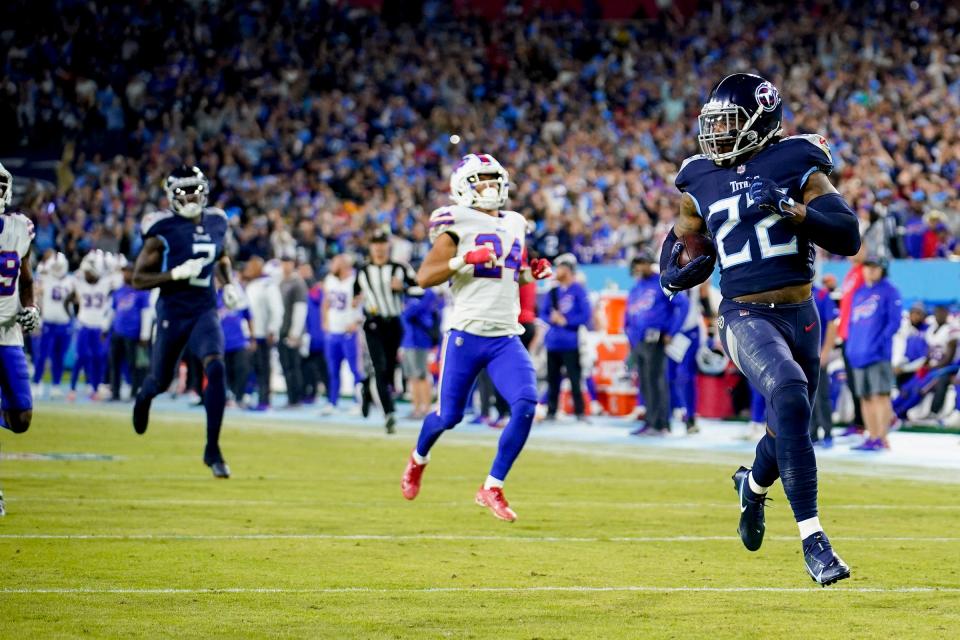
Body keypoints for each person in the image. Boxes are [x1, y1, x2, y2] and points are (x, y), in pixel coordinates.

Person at [660, 74, 861, 585]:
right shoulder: (698, 176)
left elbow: (847, 234)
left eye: (729, 122)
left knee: (788, 425)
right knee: (790, 394)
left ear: (762, 119)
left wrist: (794, 210)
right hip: (744, 314)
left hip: (802, 312)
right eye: (715, 124)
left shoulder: (798, 159)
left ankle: (751, 485)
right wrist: (673, 267)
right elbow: (683, 236)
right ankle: (814, 540)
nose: (718, 134)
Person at [401, 153, 553, 521]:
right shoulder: (456, 220)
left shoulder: (515, 222)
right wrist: (463, 258)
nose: (490, 186)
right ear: (463, 187)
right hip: (466, 336)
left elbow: (508, 272)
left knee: (526, 404)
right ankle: (418, 459)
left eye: (493, 179)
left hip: (505, 336)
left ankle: (492, 485)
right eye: (481, 180)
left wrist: (532, 274)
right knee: (448, 416)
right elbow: (424, 277)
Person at [131, 165, 241, 478]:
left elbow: (219, 255)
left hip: (205, 309)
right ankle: (145, 396)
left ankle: (213, 450)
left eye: (194, 189)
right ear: (171, 195)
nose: (190, 196)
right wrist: (173, 275)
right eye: (182, 191)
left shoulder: (218, 220)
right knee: (161, 381)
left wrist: (228, 283)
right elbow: (138, 279)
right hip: (173, 311)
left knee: (216, 367)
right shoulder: (161, 228)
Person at [0, 162, 39, 516]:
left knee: (21, 419)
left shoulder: (19, 228)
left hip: (9, 333)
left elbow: (25, 279)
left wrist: (31, 307)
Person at [354, 231, 415, 433]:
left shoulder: (400, 268)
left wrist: (403, 288)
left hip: (394, 323)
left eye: (382, 243)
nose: (379, 248)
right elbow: (354, 295)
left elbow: (421, 289)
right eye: (375, 243)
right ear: (370, 247)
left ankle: (367, 391)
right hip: (373, 323)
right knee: (379, 367)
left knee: (389, 369)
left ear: (388, 246)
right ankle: (389, 413)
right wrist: (358, 306)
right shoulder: (363, 271)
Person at [624, 250, 688, 435]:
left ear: (651, 263)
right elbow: (629, 314)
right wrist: (629, 336)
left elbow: (682, 306)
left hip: (656, 337)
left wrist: (672, 331)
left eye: (643, 262)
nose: (639, 266)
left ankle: (661, 424)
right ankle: (650, 422)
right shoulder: (636, 287)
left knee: (657, 382)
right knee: (645, 383)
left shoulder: (662, 282)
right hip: (639, 341)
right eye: (637, 263)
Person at [845, 257, 901, 451]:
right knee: (865, 397)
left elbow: (894, 322)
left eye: (874, 267)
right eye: (867, 267)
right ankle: (871, 436)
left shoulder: (889, 290)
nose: (870, 271)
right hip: (857, 353)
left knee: (880, 396)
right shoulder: (859, 293)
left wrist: (879, 344)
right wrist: (851, 347)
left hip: (877, 354)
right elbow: (852, 323)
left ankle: (882, 438)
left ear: (882, 269)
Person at [540, 253, 591, 422]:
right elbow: (543, 312)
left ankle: (580, 412)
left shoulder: (578, 290)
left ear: (568, 270)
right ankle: (551, 411)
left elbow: (585, 315)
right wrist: (551, 319)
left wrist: (566, 321)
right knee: (552, 380)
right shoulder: (553, 291)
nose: (557, 270)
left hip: (570, 342)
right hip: (553, 342)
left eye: (561, 267)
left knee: (575, 379)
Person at [322, 255, 366, 414]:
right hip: (333, 331)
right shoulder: (330, 280)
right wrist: (324, 321)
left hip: (350, 332)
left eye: (334, 262)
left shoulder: (356, 281)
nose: (331, 265)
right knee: (333, 370)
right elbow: (326, 302)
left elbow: (364, 303)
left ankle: (359, 402)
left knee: (356, 370)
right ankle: (332, 402)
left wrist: (356, 322)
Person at [68, 251, 113, 401]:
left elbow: (115, 275)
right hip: (84, 324)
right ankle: (72, 388)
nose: (87, 275)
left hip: (99, 325)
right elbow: (77, 274)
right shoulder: (79, 282)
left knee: (99, 357)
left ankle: (96, 387)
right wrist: (87, 263)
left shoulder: (105, 283)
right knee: (82, 357)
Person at [244, 256, 284, 411]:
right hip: (252, 334)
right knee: (254, 369)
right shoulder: (251, 285)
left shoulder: (268, 285)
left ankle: (265, 400)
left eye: (250, 266)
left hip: (264, 334)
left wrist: (273, 329)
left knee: (264, 370)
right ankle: (254, 397)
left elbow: (277, 310)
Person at [32, 252, 73, 398]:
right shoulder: (44, 277)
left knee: (59, 357)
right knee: (42, 355)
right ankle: (37, 382)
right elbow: (36, 294)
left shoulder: (71, 281)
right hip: (48, 322)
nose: (57, 268)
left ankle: (56, 385)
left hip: (64, 323)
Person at [108, 263, 152, 400]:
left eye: (128, 272)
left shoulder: (142, 291)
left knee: (133, 365)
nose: (126, 275)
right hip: (117, 331)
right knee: (114, 364)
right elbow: (112, 311)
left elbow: (146, 313)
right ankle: (115, 393)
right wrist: (106, 328)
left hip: (133, 333)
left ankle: (134, 392)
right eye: (124, 272)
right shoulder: (119, 290)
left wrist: (145, 334)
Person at [400, 286, 440, 420]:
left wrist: (408, 306)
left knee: (421, 375)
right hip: (407, 340)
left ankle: (426, 408)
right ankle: (416, 408)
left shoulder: (427, 294)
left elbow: (408, 313)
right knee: (412, 376)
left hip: (420, 340)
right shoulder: (409, 293)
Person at [810, 281, 839, 447]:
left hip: (817, 354)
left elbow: (831, 323)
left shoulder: (821, 294)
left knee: (821, 396)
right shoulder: (793, 291)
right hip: (798, 355)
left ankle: (827, 432)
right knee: (805, 397)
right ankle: (812, 433)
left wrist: (826, 351)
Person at [278, 252, 308, 408]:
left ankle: (296, 399)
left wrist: (295, 332)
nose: (285, 265)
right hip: (281, 329)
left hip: (291, 331)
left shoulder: (297, 283)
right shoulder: (280, 281)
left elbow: (300, 308)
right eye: (283, 262)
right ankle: (291, 397)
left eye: (288, 262)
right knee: (286, 366)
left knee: (293, 366)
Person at [219, 284, 253, 407]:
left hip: (239, 341)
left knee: (242, 369)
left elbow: (249, 316)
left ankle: (240, 397)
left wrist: (252, 337)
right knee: (225, 372)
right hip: (221, 342)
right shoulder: (214, 295)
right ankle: (229, 396)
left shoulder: (239, 293)